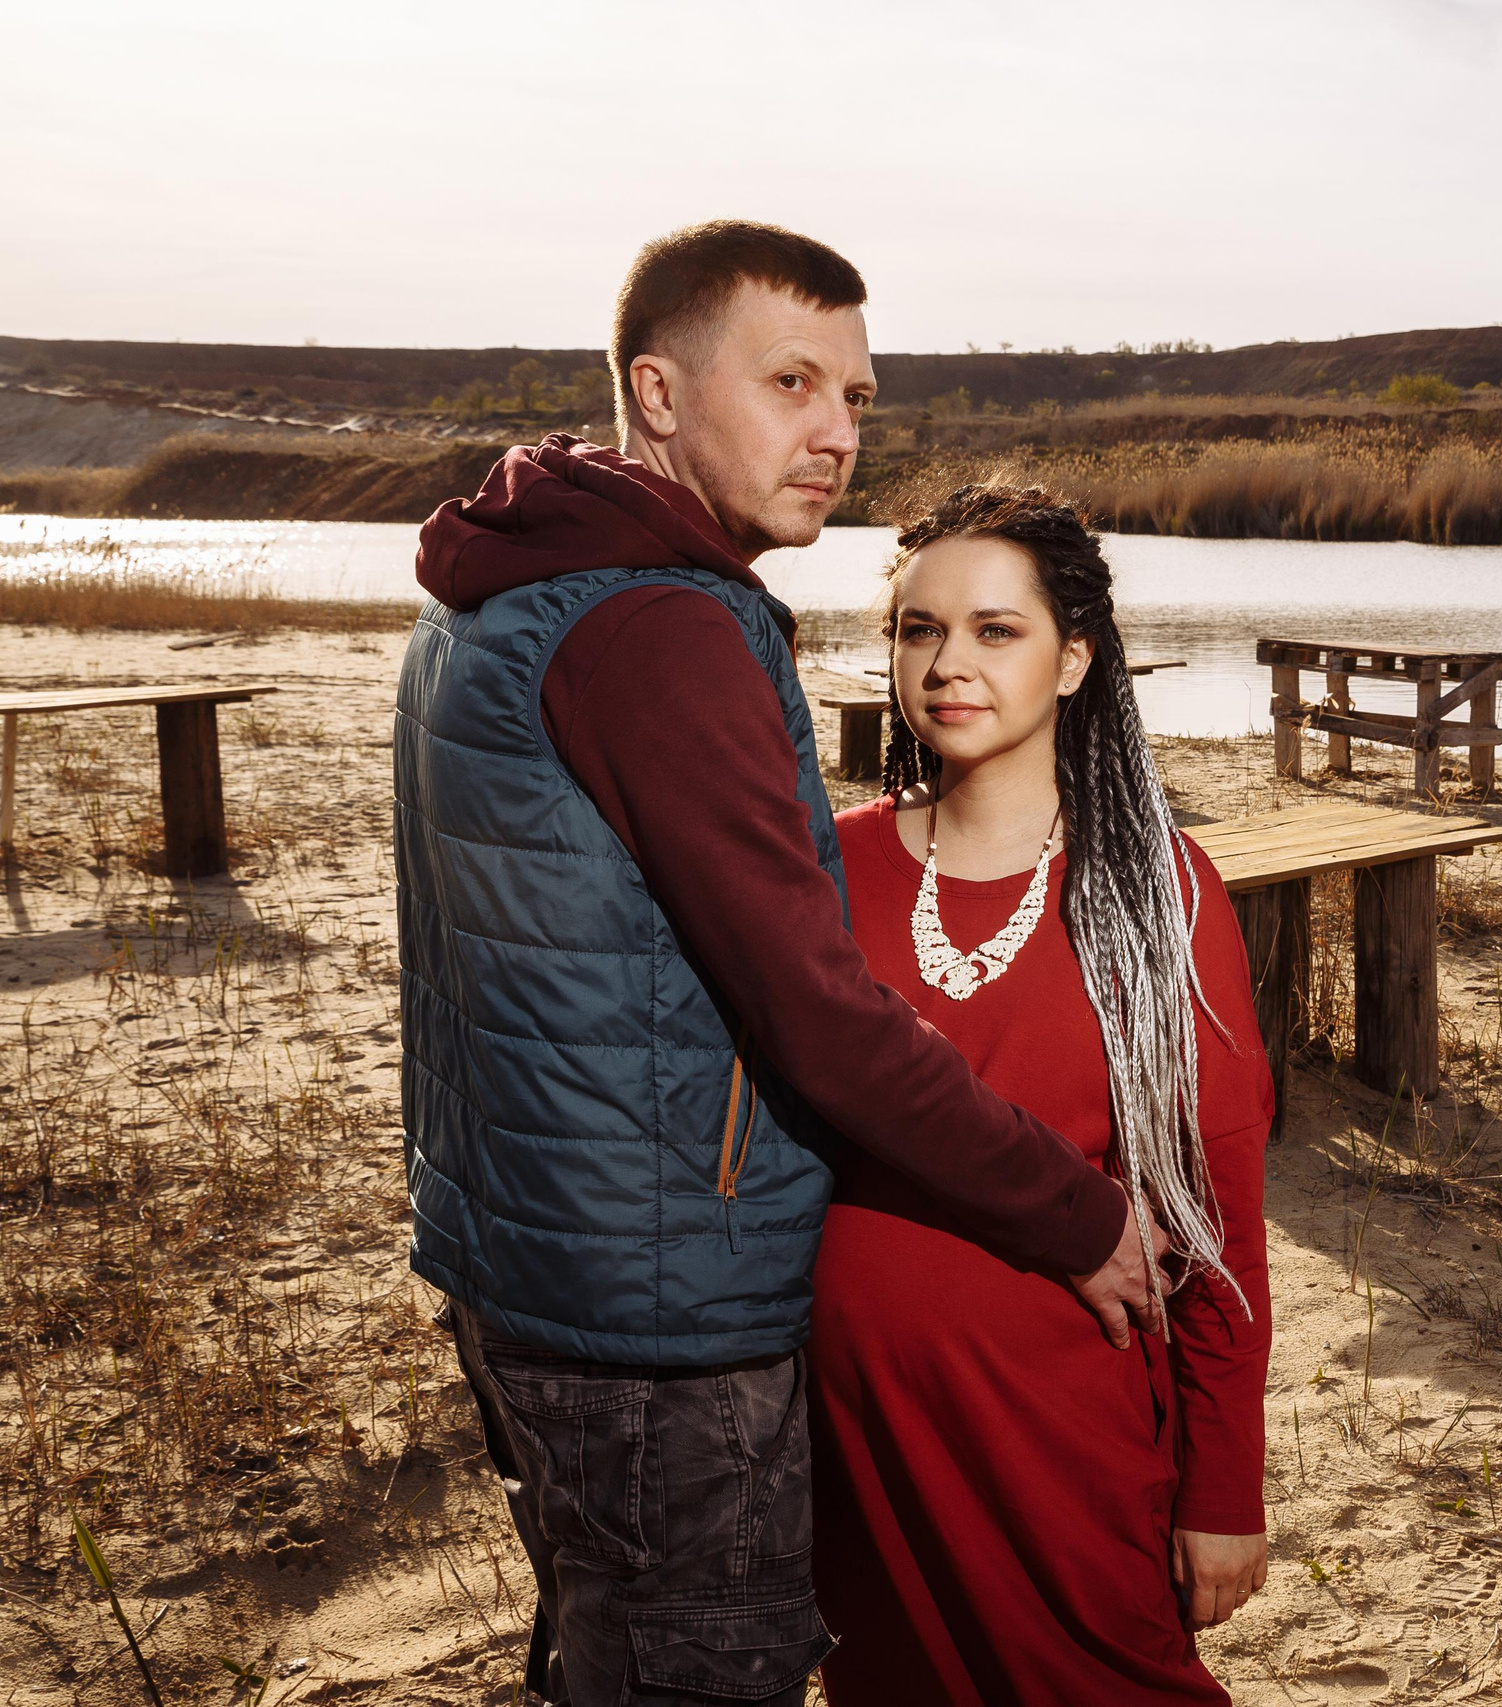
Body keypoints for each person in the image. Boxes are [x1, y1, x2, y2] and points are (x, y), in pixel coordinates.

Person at [395, 222, 1164, 1707]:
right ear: (661, 393)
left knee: (607, 1649)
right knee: (707, 1667)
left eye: (858, 397)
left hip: (532, 1257)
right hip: (658, 1306)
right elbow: (818, 1018)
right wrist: (1072, 1211)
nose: (835, 433)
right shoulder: (659, 626)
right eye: (793, 381)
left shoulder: (508, 580)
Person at [807, 483, 1274, 1705]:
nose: (948, 663)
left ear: (1073, 660)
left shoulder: (1157, 890)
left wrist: (1224, 1491)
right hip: (848, 1446)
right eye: (918, 629)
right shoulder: (826, 863)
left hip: (1058, 1430)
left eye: (993, 630)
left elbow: (1219, 1220)